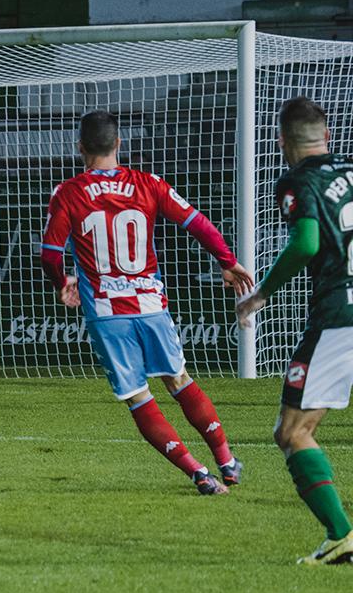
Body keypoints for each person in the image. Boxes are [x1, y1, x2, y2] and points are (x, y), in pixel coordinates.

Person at [42, 110, 253, 495]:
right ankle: (226, 461)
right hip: (150, 306)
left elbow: (50, 254)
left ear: (80, 148)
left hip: (107, 315)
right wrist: (228, 262)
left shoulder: (68, 193)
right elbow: (197, 223)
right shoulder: (148, 184)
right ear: (119, 144)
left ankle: (199, 474)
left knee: (138, 396)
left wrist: (63, 281)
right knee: (179, 380)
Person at [237, 96, 353, 565]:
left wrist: (261, 293)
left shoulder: (298, 182)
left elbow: (305, 242)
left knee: (292, 431)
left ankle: (342, 537)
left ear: (281, 141)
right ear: (327, 136)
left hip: (339, 317)